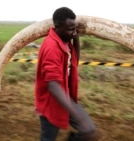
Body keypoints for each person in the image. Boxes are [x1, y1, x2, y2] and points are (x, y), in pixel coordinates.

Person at [35, 7, 99, 141]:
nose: (73, 32)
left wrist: (75, 38)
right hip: (51, 102)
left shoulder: (64, 41)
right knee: (48, 138)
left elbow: (74, 61)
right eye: (71, 29)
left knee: (89, 131)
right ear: (58, 27)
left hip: (65, 96)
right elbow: (52, 85)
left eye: (75, 29)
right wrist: (75, 112)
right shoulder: (52, 47)